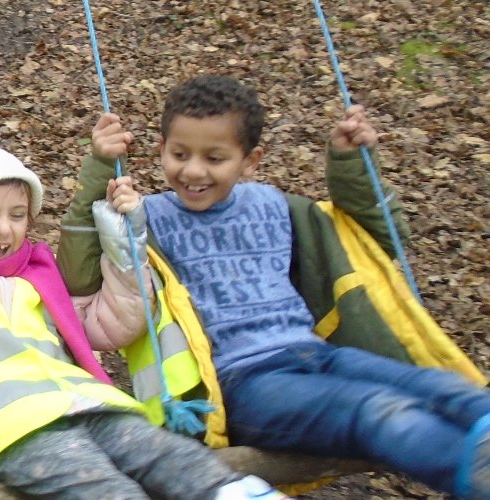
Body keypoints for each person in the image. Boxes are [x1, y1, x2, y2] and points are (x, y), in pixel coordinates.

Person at [58, 74, 490, 497]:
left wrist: (350, 164)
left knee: (437, 386)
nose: (193, 170)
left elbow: (370, 241)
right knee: (378, 411)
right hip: (242, 384)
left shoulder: (274, 205)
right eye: (179, 153)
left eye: (214, 158)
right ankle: (474, 475)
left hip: (317, 353)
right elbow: (80, 274)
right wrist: (101, 170)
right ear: (161, 149)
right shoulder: (147, 218)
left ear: (251, 160)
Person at [0, 146, 282, 499]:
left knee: (155, 449)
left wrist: (124, 246)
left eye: (16, 215)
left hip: (77, 403)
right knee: (97, 483)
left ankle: (235, 492)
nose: (4, 230)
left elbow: (115, 325)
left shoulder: (40, 276)